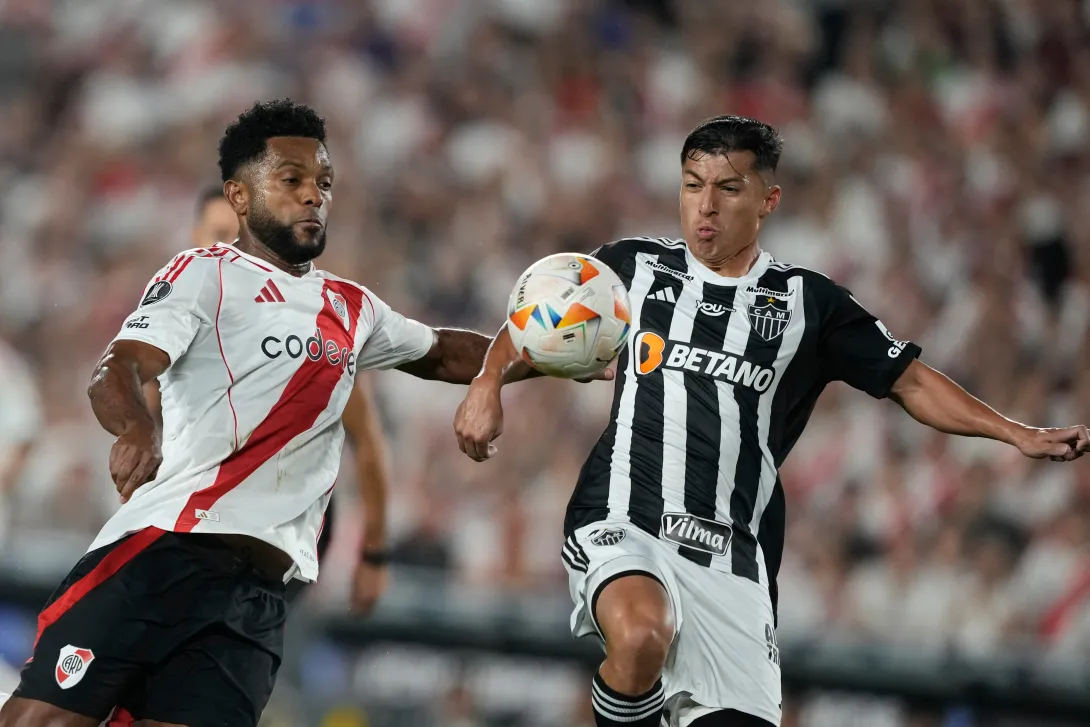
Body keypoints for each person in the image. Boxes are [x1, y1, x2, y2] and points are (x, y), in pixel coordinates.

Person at [453, 115, 1090, 727]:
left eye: (728, 189)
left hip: (733, 556)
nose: (705, 207)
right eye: (692, 186)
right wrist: (488, 383)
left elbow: (912, 381)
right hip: (625, 517)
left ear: (768, 199)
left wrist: (1016, 432)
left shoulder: (809, 304)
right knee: (642, 635)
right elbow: (542, 320)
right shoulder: (632, 267)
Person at [0, 99, 493, 727]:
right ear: (238, 195)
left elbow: (445, 352)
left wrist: (526, 356)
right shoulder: (205, 274)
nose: (313, 196)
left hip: (256, 598)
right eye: (292, 181)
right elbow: (118, 368)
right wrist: (137, 426)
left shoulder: (353, 307)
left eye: (324, 184)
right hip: (166, 552)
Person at [150, 185, 393, 611]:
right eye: (220, 234)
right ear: (195, 237)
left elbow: (368, 445)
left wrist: (373, 554)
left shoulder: (315, 333)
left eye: (241, 235)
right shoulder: (173, 317)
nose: (231, 249)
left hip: (281, 521)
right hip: (197, 510)